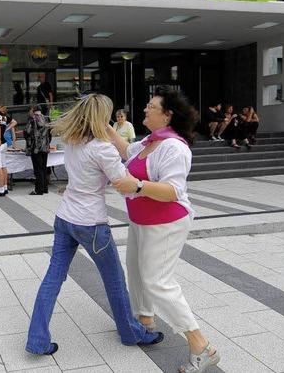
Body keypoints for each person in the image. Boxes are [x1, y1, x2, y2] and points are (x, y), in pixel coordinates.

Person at [26, 94, 164, 356]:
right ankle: (130, 332)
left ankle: (37, 340)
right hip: (92, 224)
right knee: (114, 280)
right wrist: (151, 187)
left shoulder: (73, 142)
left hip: (65, 218)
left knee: (53, 278)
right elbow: (124, 183)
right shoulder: (102, 148)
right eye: (109, 115)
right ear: (102, 117)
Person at [110, 87, 220, 373]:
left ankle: (201, 345)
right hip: (141, 220)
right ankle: (145, 320)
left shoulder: (174, 147)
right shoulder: (150, 140)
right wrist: (102, 125)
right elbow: (125, 150)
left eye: (151, 106)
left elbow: (172, 191)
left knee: (158, 282)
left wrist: (137, 186)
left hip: (166, 223)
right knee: (135, 270)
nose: (145, 109)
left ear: (167, 115)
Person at [24, 105, 50, 195]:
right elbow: (49, 134)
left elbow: (27, 132)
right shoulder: (46, 119)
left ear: (33, 110)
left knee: (38, 169)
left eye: (30, 110)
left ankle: (39, 190)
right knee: (44, 168)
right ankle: (45, 188)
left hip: (35, 148)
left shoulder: (32, 119)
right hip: (45, 147)